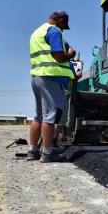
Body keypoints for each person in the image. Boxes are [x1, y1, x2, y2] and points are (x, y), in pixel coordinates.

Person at [27, 11, 76, 162]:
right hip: (51, 77)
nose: (63, 29)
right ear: (60, 20)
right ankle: (48, 152)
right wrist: (71, 54)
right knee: (51, 115)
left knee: (38, 116)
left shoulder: (37, 31)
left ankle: (33, 151)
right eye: (64, 25)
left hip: (37, 77)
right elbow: (59, 57)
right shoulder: (54, 30)